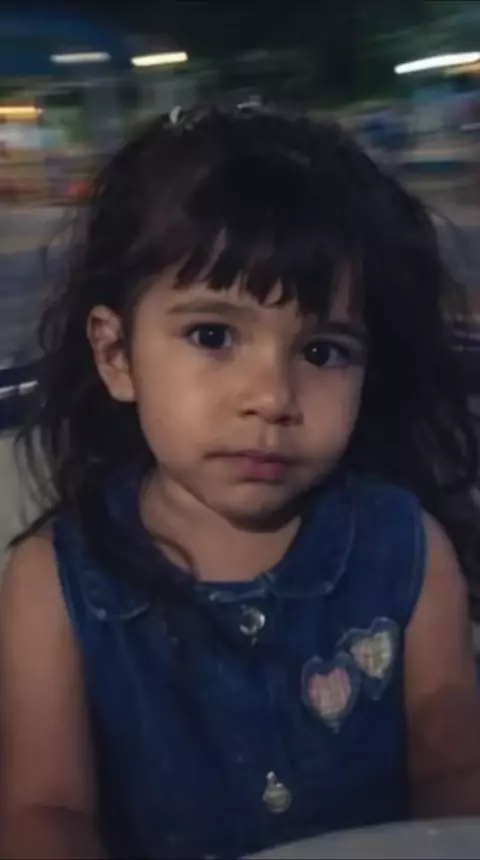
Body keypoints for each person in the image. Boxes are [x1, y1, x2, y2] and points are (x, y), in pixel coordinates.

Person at [1, 107, 480, 860]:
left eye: (322, 352)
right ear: (117, 355)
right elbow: (45, 811)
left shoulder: (407, 549)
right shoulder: (52, 583)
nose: (272, 398)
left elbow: (453, 764)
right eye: (213, 336)